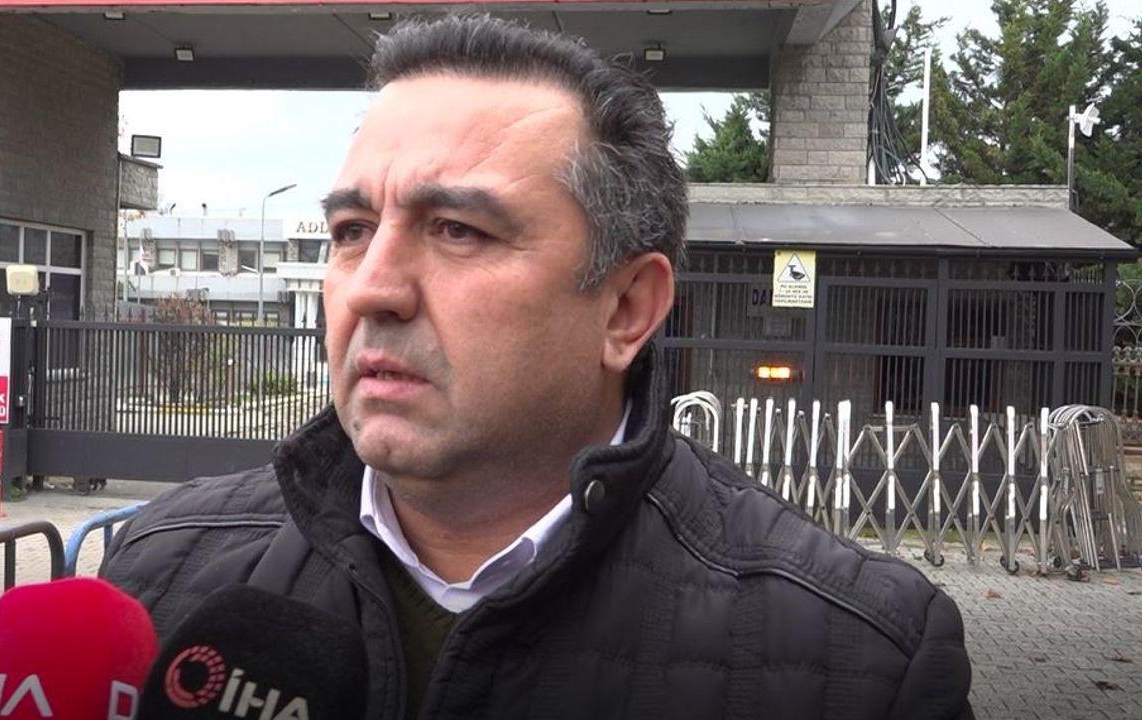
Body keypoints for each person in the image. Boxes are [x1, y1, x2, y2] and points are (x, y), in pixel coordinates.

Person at [101, 14, 973, 719]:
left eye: (458, 230)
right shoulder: (157, 573)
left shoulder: (861, 661)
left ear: (626, 309)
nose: (371, 288)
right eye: (352, 230)